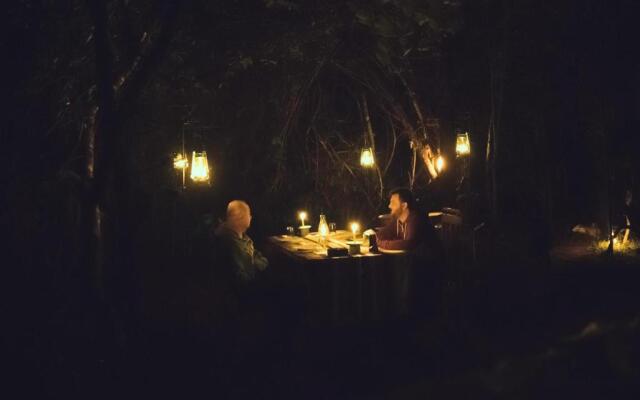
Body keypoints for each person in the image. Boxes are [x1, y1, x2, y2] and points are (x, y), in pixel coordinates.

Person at [214, 200, 268, 284]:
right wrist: (257, 266)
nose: (250, 217)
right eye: (248, 214)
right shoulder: (231, 245)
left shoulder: (243, 238)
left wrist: (257, 263)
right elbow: (243, 279)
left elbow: (256, 255)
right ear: (240, 217)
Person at [375, 188, 437, 252]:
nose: (389, 206)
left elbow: (408, 244)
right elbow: (381, 234)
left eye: (393, 202)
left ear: (404, 205)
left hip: (429, 260)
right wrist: (375, 238)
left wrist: (381, 243)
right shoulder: (398, 220)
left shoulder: (416, 219)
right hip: (411, 259)